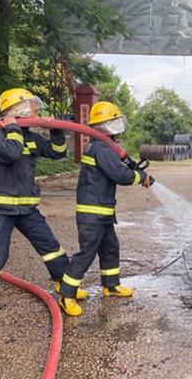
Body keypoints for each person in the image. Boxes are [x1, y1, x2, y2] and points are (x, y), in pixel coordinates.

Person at [0, 88, 88, 319]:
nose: (37, 111)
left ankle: (64, 286)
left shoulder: (30, 137)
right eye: (33, 107)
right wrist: (13, 128)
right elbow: (12, 153)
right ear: (20, 108)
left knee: (51, 247)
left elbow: (57, 153)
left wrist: (56, 131)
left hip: (27, 210)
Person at [58, 101, 151, 316]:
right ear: (109, 125)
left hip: (102, 212)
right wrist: (142, 177)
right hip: (93, 213)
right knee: (87, 253)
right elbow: (120, 175)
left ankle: (111, 285)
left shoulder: (102, 146)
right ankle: (66, 295)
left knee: (110, 247)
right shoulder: (101, 148)